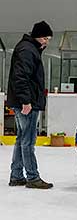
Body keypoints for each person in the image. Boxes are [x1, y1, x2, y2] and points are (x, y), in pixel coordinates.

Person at [7, 20, 54, 189]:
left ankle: (17, 175)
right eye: (46, 38)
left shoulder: (29, 48)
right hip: (27, 103)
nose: (47, 42)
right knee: (28, 140)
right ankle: (32, 177)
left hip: (26, 101)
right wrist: (26, 101)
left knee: (22, 139)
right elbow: (21, 78)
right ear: (39, 36)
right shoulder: (28, 50)